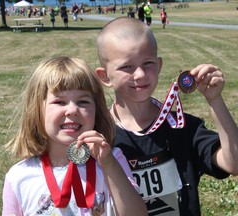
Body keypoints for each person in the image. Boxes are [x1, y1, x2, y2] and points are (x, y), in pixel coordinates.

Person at [96, 17, 238, 216]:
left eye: (148, 63)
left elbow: (234, 163)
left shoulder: (183, 127)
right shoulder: (99, 137)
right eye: (127, 67)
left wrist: (215, 101)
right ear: (104, 76)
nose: (140, 74)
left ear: (159, 65)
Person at [2, 56, 148, 216]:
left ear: (96, 110)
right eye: (59, 102)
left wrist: (109, 165)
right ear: (36, 109)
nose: (72, 110)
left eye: (83, 102)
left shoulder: (112, 160)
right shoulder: (19, 177)